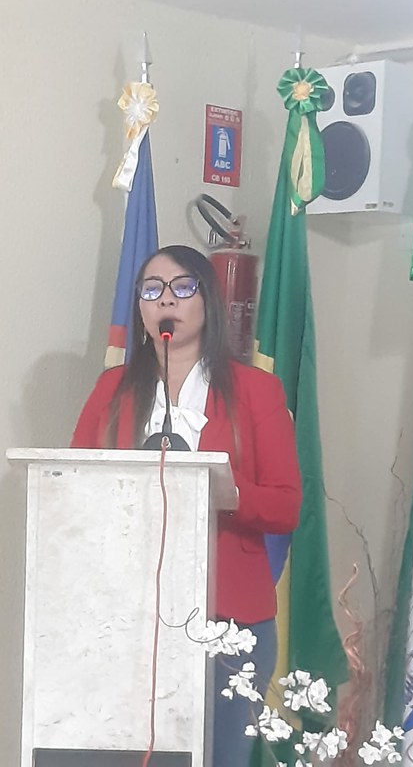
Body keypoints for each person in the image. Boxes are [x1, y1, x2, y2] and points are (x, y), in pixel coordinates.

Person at [71, 244, 302, 767]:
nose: (166, 300)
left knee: (220, 756)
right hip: (126, 613)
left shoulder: (256, 390)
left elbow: (286, 506)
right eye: (151, 289)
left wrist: (227, 491)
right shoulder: (111, 389)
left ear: (207, 301)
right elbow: (78, 483)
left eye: (182, 287)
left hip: (229, 616)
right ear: (140, 308)